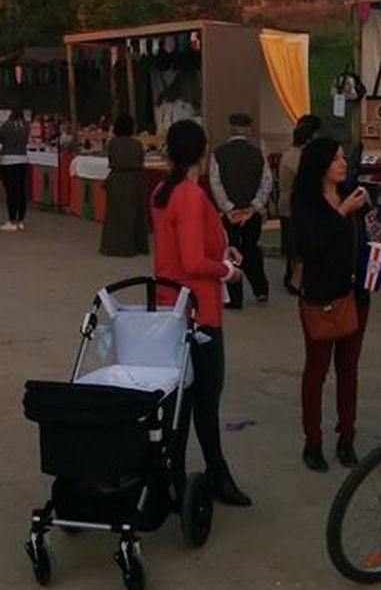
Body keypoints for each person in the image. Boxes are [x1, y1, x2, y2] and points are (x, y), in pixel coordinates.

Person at [150, 120, 252, 508]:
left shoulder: (164, 191)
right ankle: (213, 473)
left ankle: (173, 473)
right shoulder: (189, 195)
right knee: (204, 399)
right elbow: (193, 260)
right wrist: (226, 269)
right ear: (202, 152)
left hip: (169, 306)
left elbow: (180, 251)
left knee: (181, 400)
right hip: (198, 310)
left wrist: (222, 253)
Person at [291, 137, 372, 471]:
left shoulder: (352, 195)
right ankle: (313, 441)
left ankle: (347, 436)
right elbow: (310, 248)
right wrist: (341, 213)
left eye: (344, 158)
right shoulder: (306, 202)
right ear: (320, 165)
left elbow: (363, 239)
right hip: (322, 295)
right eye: (336, 159)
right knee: (317, 370)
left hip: (356, 293)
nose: (342, 163)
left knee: (349, 370)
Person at [209, 112, 273, 307]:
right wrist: (254, 207)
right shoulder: (258, 153)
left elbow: (216, 183)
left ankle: (235, 298)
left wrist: (228, 208)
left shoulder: (218, 153)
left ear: (230, 128)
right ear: (248, 129)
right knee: (251, 249)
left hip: (229, 214)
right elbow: (267, 182)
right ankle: (261, 289)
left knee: (230, 251)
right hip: (251, 212)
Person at [278, 115, 321, 295]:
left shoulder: (290, 154)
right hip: (292, 205)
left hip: (288, 203)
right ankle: (295, 281)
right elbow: (305, 179)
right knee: (296, 245)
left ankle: (292, 277)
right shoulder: (297, 158)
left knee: (292, 244)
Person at [99, 114, 149, 256]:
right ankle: (133, 246)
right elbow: (140, 161)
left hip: (116, 179)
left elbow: (111, 159)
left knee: (114, 215)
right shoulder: (137, 144)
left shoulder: (112, 144)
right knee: (133, 214)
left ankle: (113, 246)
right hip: (133, 179)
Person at [0, 109, 30, 232]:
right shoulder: (26, 126)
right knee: (21, 191)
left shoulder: (6, 126)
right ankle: (21, 220)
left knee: (11, 192)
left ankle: (11, 220)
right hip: (23, 159)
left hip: (8, 160)